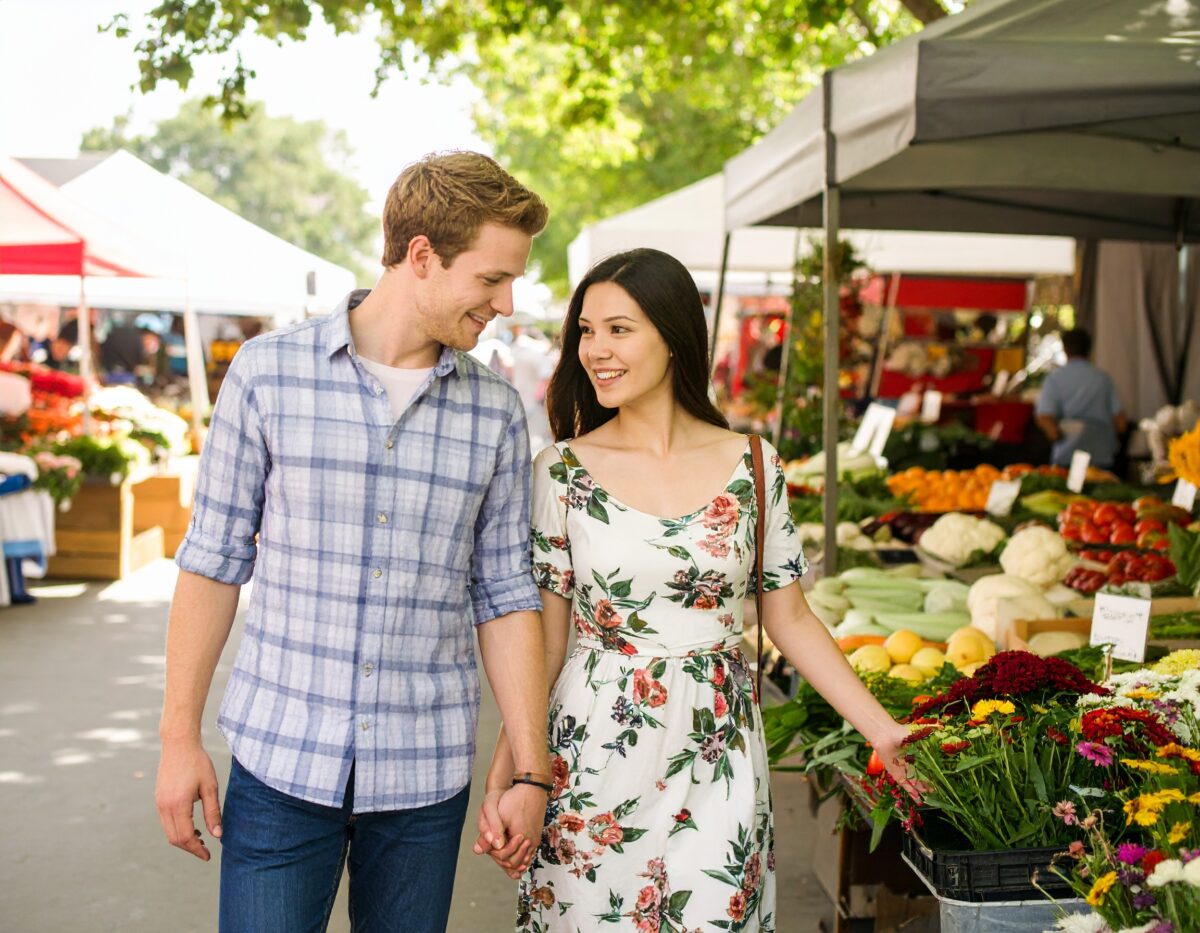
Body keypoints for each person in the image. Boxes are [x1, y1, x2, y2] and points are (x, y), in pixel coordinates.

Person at [155, 151, 554, 933]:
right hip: (278, 765)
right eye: (491, 278)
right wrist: (178, 739)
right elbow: (212, 562)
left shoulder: (497, 413)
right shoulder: (267, 375)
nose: (506, 302)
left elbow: (504, 595)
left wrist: (532, 773)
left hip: (423, 779)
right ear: (421, 256)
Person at [473, 248, 913, 931]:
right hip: (592, 758)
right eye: (586, 331)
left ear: (674, 335)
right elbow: (547, 643)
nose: (595, 350)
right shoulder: (560, 471)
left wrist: (880, 729)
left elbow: (790, 618)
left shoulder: (753, 465)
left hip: (721, 759)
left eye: (619, 329)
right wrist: (516, 775)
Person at [1035, 328, 1127, 469]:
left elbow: (1044, 417)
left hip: (1066, 457)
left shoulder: (1055, 379)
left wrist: (1057, 435)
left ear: (1065, 349)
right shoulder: (1103, 379)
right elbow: (1120, 423)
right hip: (1101, 456)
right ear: (1089, 349)